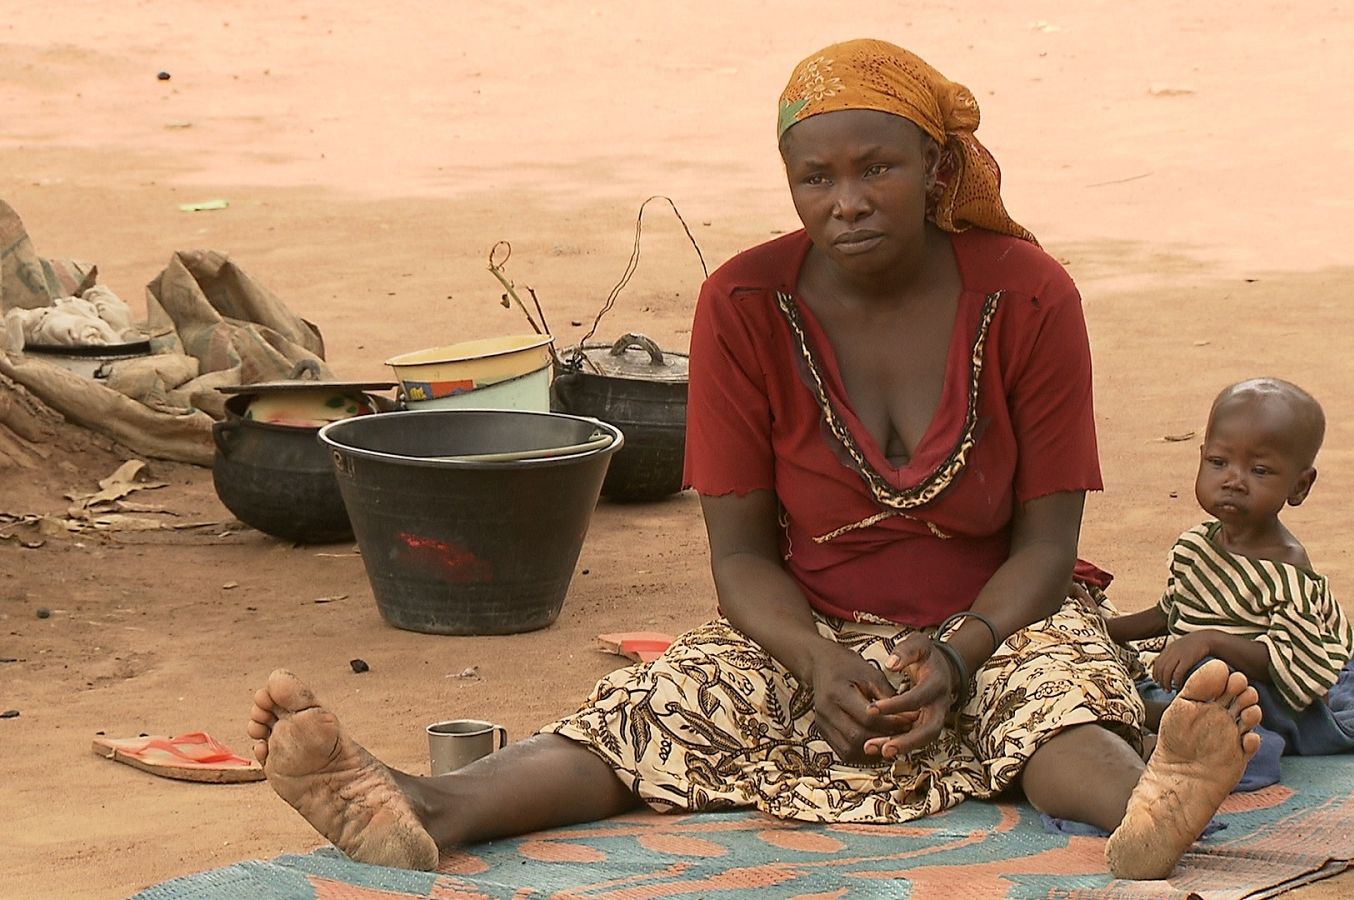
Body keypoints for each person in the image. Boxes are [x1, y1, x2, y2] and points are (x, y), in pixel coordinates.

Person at [247, 38, 1261, 882]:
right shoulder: (744, 304)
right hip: (803, 628)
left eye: (878, 169)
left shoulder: (1029, 295)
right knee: (659, 712)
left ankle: (1146, 804)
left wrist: (957, 656)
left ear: (938, 172)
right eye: (815, 178)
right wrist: (819, 663)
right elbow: (738, 561)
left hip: (1000, 618)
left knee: (1055, 707)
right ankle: (425, 803)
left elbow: (1048, 543)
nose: (847, 202)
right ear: (789, 186)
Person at [1105, 379, 1354, 775]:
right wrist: (1106, 630)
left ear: (1300, 485)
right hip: (1198, 684)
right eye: (1219, 463)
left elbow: (1286, 660)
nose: (1234, 480)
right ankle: (1158, 723)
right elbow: (1168, 612)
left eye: (1259, 470)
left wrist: (1208, 641)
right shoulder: (1196, 547)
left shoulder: (1286, 570)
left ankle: (1167, 733)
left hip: (1261, 697)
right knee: (1127, 694)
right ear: (1201, 458)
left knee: (1229, 718)